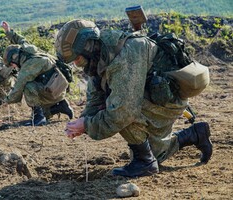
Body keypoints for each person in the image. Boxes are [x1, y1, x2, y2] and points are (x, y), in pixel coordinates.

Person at [54, 19, 213, 178]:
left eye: (77, 58)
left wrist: (87, 125)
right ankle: (195, 134)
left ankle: (145, 163)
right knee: (156, 154)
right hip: (150, 98)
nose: (77, 63)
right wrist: (82, 122)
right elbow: (95, 98)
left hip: (168, 100)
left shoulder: (124, 56)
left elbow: (124, 111)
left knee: (120, 109)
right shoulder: (99, 57)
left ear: (88, 46)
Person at [1, 21, 73, 126]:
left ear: (15, 59)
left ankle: (39, 117)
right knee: (36, 87)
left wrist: (6, 100)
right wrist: (8, 31)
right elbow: (21, 41)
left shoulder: (29, 65)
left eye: (12, 64)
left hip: (53, 91)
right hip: (59, 89)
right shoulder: (29, 52)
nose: (14, 67)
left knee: (28, 87)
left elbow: (19, 86)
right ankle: (61, 105)